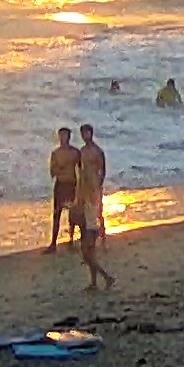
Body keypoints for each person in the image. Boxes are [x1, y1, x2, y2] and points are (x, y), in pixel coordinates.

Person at [76, 124, 115, 291]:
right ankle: (96, 281)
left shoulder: (97, 151)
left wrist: (97, 186)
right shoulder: (82, 151)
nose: (85, 135)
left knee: (88, 250)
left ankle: (105, 278)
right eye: (83, 133)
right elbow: (80, 172)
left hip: (93, 191)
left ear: (91, 133)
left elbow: (102, 171)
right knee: (87, 251)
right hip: (84, 191)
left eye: (87, 133)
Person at [45, 128, 81, 253]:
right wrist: (62, 167)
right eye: (61, 136)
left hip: (72, 184)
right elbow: (52, 172)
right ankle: (53, 243)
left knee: (73, 214)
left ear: (69, 137)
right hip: (60, 185)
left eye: (65, 136)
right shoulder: (56, 153)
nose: (62, 138)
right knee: (57, 214)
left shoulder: (75, 152)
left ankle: (71, 240)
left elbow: (82, 169)